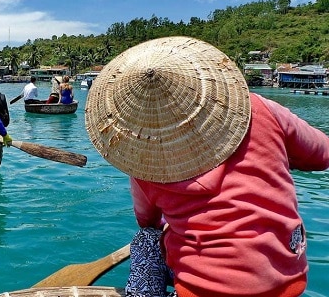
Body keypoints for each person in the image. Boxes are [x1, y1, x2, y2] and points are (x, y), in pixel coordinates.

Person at [84, 36, 329, 297]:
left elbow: (147, 220)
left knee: (146, 239)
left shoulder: (143, 157)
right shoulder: (263, 109)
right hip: (286, 280)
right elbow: (322, 155)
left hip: (200, 288)